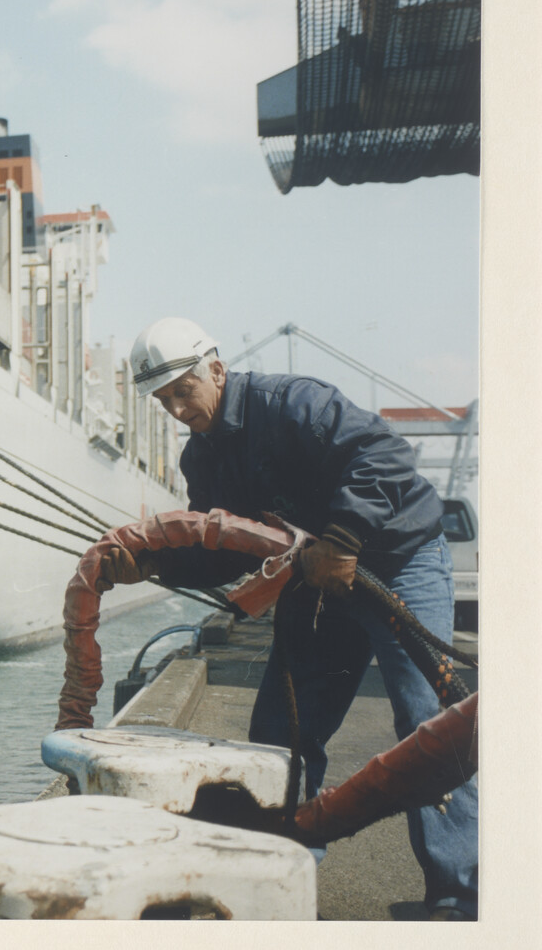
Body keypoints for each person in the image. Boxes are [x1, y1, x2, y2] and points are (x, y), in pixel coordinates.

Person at [103, 317, 476, 921]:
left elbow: (382, 455)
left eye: (182, 391)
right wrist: (148, 566)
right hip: (314, 577)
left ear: (216, 370)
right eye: (163, 398)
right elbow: (217, 547)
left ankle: (460, 900)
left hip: (398, 559)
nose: (174, 409)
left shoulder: (295, 403)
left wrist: (343, 537)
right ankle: (280, 882)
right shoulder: (203, 456)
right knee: (283, 733)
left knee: (427, 725)